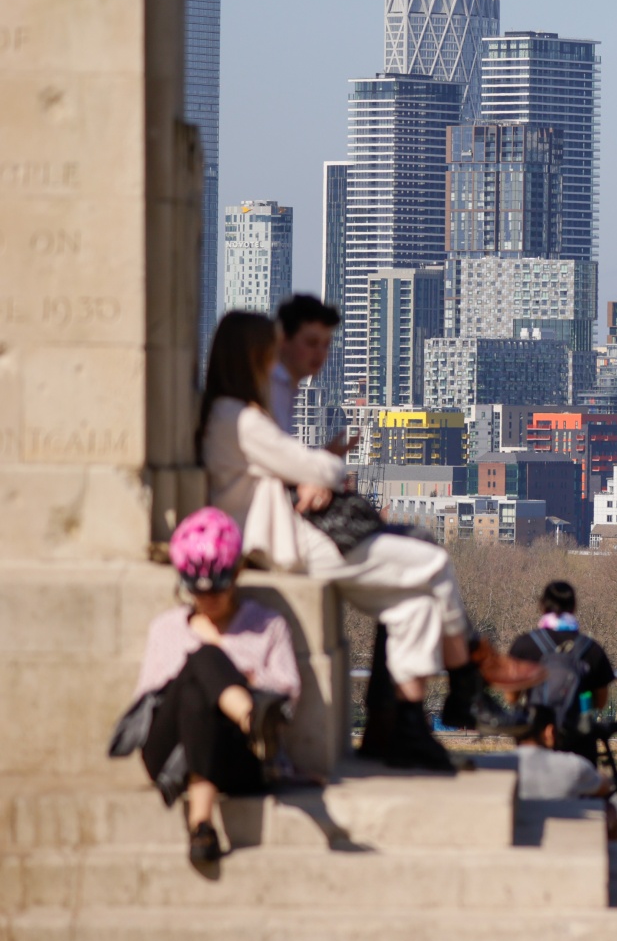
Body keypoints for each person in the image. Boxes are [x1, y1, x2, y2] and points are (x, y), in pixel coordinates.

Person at [198, 310, 540, 771]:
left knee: (415, 606)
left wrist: (312, 467)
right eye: (269, 355)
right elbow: (317, 468)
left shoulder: (232, 414)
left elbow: (296, 465)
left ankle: (406, 728)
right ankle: (466, 683)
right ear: (252, 358)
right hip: (283, 543)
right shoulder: (239, 417)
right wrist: (324, 467)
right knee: (432, 561)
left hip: (285, 535)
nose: (276, 365)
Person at [134, 508, 301, 873]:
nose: (209, 599)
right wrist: (230, 678)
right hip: (172, 751)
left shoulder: (267, 625)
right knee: (201, 665)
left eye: (218, 588)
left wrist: (229, 681)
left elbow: (288, 692)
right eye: (198, 590)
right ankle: (250, 718)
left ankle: (202, 825)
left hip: (238, 756)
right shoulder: (166, 628)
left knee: (201, 684)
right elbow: (147, 699)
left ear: (236, 575)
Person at [507, 580, 617, 757]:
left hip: (535, 743)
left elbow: (511, 697)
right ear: (574, 606)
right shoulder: (591, 649)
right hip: (578, 744)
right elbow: (601, 702)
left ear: (542, 606)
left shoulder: (524, 645)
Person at [270, 293, 350, 450]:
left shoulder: (288, 389)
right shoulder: (266, 390)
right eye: (311, 343)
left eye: (326, 345)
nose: (320, 353)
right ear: (283, 339)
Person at [515, 704, 613, 802]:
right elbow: (604, 787)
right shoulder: (574, 766)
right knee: (609, 807)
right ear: (549, 732)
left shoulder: (507, 766)